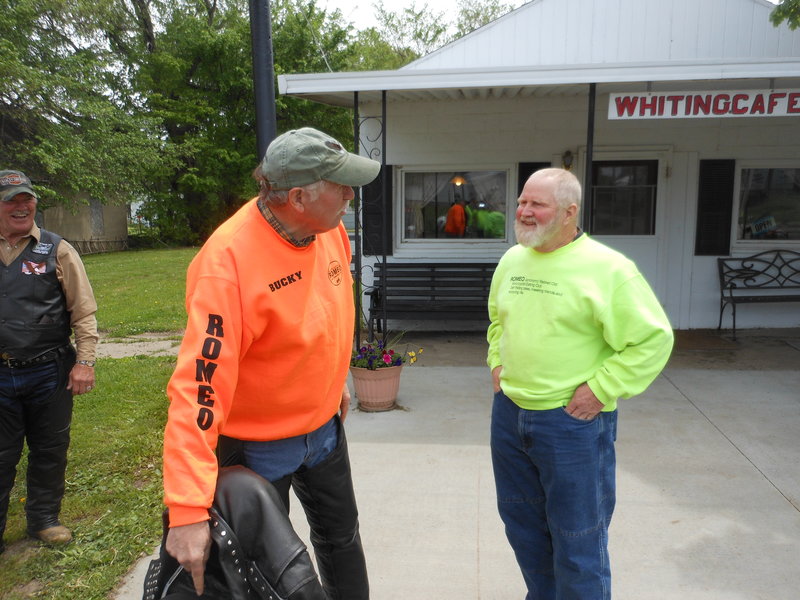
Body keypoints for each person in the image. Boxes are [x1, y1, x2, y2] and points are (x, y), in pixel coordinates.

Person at [162, 127, 380, 599]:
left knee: (342, 541)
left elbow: (330, 311)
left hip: (324, 432)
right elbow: (199, 388)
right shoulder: (227, 263)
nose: (350, 195)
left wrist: (333, 379)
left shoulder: (329, 230)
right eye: (341, 185)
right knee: (268, 573)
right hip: (258, 449)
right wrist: (186, 509)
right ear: (298, 197)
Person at [486, 168, 674, 599]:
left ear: (570, 213)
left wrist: (603, 389)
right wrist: (497, 363)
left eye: (537, 204)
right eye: (521, 202)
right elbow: (498, 319)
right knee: (525, 532)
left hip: (571, 425)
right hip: (510, 416)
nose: (524, 211)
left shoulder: (609, 269)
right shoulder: (513, 259)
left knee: (578, 542)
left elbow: (652, 338)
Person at [0, 170, 98, 554]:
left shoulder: (57, 249)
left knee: (50, 449)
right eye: (11, 200)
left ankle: (43, 519)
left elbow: (84, 311)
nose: (21, 206)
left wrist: (85, 361)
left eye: (27, 199)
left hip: (49, 370)